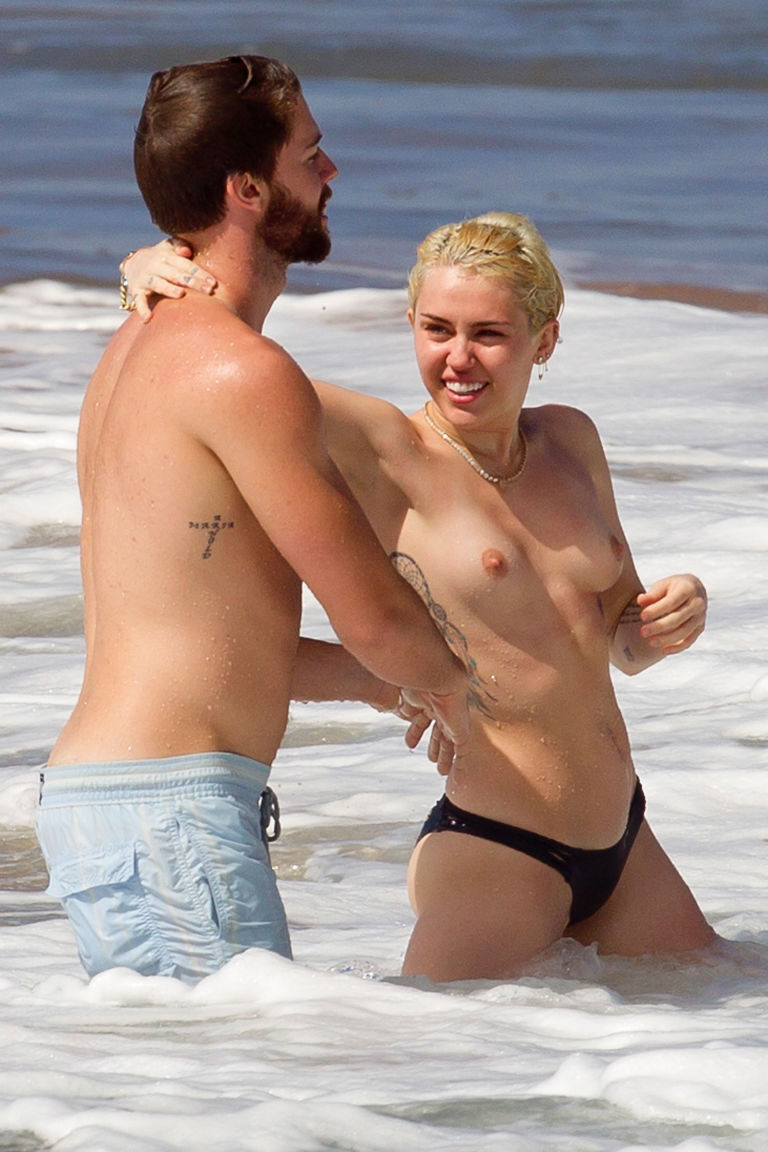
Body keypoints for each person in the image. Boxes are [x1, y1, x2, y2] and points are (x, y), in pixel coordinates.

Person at [122, 210, 715, 982]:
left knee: (729, 1008)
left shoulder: (572, 438)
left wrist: (674, 613)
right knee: (424, 1046)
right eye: (437, 330)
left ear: (545, 341)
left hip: (627, 844)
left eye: (488, 335)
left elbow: (621, 643)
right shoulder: (384, 450)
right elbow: (196, 378)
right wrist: (147, 274)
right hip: (501, 850)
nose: (458, 358)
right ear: (410, 325)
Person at [36, 55, 469, 985]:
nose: (331, 172)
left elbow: (205, 635)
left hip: (105, 804)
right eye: (310, 155)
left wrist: (378, 685)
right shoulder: (241, 371)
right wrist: (470, 693)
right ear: (247, 189)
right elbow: (377, 616)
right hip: (171, 813)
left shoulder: (131, 350)